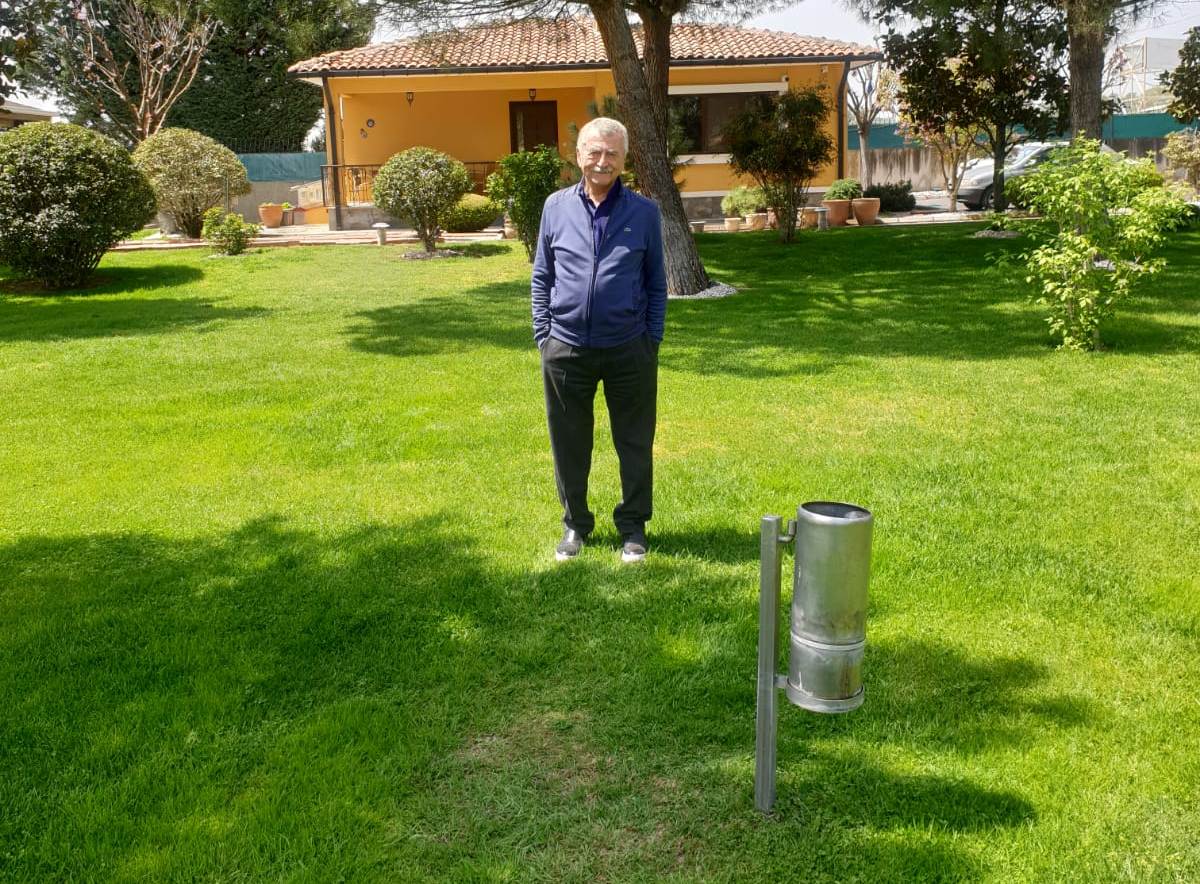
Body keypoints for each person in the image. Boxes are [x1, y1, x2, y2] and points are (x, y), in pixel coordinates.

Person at [531, 117, 667, 563]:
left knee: (634, 441)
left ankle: (633, 526)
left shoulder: (644, 212)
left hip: (630, 347)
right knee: (569, 442)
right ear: (579, 155)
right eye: (594, 151)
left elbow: (656, 283)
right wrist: (544, 334)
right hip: (565, 346)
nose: (602, 161)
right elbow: (542, 275)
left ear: (624, 159)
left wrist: (651, 339)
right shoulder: (555, 207)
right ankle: (575, 524)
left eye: (612, 153)